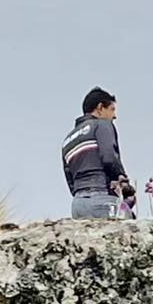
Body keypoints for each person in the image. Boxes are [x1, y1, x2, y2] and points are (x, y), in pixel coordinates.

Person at [62, 88, 132, 218]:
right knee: (130, 225)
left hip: (77, 205)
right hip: (101, 198)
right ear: (100, 108)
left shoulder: (67, 140)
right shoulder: (102, 125)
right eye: (112, 109)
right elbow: (109, 158)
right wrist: (124, 182)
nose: (114, 116)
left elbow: (69, 179)